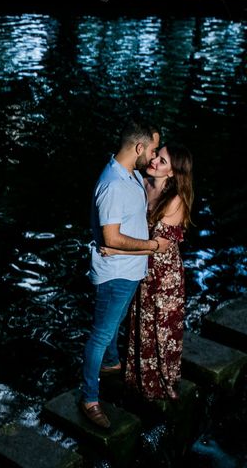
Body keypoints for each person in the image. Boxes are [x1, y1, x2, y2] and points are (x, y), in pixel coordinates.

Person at [80, 119, 169, 429]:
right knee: (101, 334)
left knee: (113, 324)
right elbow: (111, 238)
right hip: (115, 274)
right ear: (139, 148)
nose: (154, 156)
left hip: (129, 271)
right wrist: (151, 246)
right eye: (153, 150)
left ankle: (111, 363)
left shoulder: (129, 173)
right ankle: (90, 398)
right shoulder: (113, 184)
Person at [101, 144, 193, 401]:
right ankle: (136, 381)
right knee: (139, 324)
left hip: (164, 276)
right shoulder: (141, 183)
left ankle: (162, 385)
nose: (154, 162)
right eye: (156, 156)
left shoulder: (175, 201)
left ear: (173, 173)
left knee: (161, 329)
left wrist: (116, 251)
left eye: (162, 161)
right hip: (140, 268)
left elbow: (157, 248)